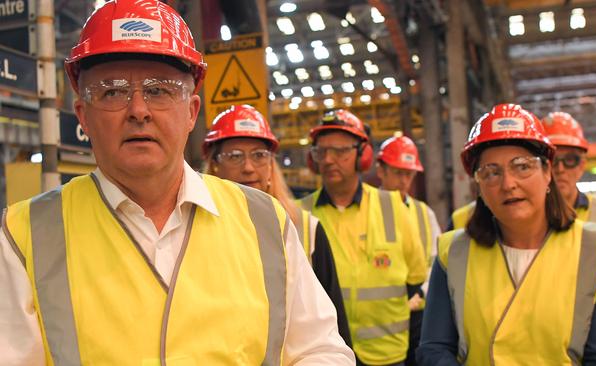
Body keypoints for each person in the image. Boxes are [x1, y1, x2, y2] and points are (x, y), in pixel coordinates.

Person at [0, 1, 355, 364]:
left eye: (159, 90)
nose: (139, 110)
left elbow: (320, 349)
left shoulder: (265, 221)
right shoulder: (26, 237)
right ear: (83, 116)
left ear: (191, 111)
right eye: (112, 91)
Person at [417, 103, 596, 364]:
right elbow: (434, 349)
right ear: (479, 187)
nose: (508, 184)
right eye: (491, 172)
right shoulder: (452, 252)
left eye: (522, 166)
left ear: (547, 173)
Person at [202, 104, 352, 347]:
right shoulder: (194, 227)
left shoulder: (307, 229)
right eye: (235, 156)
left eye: (259, 155)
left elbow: (334, 330)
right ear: (215, 165)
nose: (248, 167)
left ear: (271, 166)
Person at [299, 109, 427, 366]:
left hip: (387, 354)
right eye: (321, 152)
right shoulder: (299, 213)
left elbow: (416, 279)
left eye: (340, 151)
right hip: (324, 354)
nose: (329, 160)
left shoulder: (393, 207)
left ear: (363, 155)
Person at [375, 135, 441, 365]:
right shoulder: (365, 211)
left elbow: (437, 262)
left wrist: (421, 293)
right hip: (379, 319)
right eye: (398, 172)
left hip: (418, 314)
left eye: (409, 174)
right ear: (380, 170)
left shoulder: (425, 213)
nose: (404, 181)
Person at [542, 111, 596, 262]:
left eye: (570, 160)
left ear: (582, 165)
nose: (560, 169)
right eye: (552, 160)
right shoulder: (526, 217)